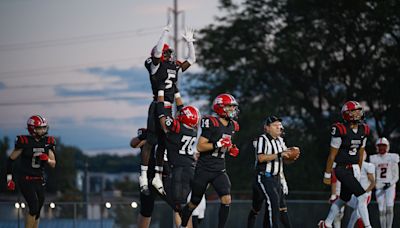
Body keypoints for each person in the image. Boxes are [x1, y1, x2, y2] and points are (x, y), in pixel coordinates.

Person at [140, 20, 196, 195]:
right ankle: (143, 176)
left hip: (169, 106)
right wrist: (164, 32)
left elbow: (192, 60)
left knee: (164, 142)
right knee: (151, 141)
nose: (170, 56)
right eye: (167, 53)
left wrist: (190, 43)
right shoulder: (155, 66)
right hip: (158, 105)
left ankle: (157, 176)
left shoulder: (173, 67)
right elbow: (157, 52)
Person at [180, 93, 240, 228]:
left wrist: (231, 148)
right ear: (220, 108)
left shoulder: (233, 126)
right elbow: (200, 146)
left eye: (233, 107)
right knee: (193, 202)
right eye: (229, 107)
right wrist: (218, 144)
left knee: (226, 199)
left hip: (219, 169)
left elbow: (226, 143)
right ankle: (183, 225)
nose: (232, 109)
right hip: (204, 169)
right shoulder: (211, 123)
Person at [319, 101, 372, 228]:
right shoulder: (340, 129)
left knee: (344, 199)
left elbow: (360, 153)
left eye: (359, 110)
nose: (358, 113)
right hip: (342, 168)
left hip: (353, 168)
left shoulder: (364, 129)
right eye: (354, 111)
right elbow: (332, 155)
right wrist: (327, 174)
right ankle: (368, 226)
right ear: (347, 114)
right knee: (363, 196)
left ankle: (326, 223)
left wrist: (358, 169)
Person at [247, 116, 299, 228]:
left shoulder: (280, 141)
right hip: (264, 177)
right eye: (276, 126)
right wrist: (280, 154)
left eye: (280, 125)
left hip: (276, 178)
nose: (279, 128)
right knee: (266, 206)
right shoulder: (262, 139)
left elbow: (285, 161)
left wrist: (291, 157)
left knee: (280, 207)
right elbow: (261, 158)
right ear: (267, 128)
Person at [6, 115, 56, 228]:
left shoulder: (48, 142)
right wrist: (9, 179)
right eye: (40, 128)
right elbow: (10, 160)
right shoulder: (24, 142)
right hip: (26, 179)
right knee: (33, 207)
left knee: (38, 209)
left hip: (39, 180)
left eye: (44, 127)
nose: (43, 130)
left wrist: (47, 159)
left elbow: (53, 163)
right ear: (32, 128)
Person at [162, 105, 201, 227]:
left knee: (179, 206)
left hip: (180, 170)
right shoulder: (193, 132)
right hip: (190, 169)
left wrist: (162, 108)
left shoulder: (179, 129)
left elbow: (165, 122)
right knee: (184, 206)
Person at [131, 128, 175, 228]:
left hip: (157, 176)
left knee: (178, 207)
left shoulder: (167, 135)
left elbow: (133, 144)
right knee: (146, 211)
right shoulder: (153, 135)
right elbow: (134, 143)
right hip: (159, 177)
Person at [369, 137, 399, 228]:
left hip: (390, 185)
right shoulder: (374, 158)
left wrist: (390, 183)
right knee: (381, 210)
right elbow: (372, 174)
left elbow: (396, 175)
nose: (382, 148)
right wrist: (375, 184)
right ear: (376, 147)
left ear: (387, 147)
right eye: (380, 146)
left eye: (383, 146)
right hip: (379, 185)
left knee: (389, 208)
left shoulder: (392, 157)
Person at [346, 151, 375, 228]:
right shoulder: (352, 166)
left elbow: (373, 183)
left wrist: (366, 192)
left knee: (358, 213)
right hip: (355, 194)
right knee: (356, 213)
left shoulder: (367, 166)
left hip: (365, 194)